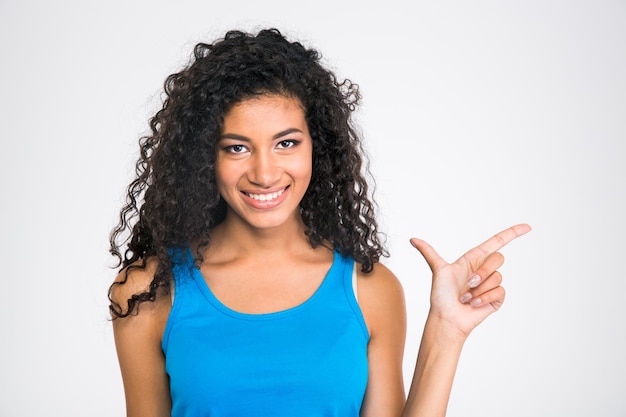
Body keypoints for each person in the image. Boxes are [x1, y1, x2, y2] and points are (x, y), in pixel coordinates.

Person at [108, 28, 531, 417]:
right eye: (237, 148)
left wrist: (446, 331)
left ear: (318, 147)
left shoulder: (371, 291)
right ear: (206, 158)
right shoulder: (149, 291)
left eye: (286, 143)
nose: (265, 173)